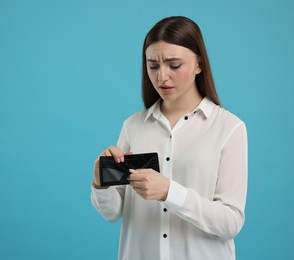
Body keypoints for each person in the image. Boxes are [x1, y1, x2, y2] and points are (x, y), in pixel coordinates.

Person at [91, 16, 248, 260]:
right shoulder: (133, 126)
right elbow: (112, 212)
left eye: (174, 65)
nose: (161, 77)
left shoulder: (229, 128)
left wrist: (169, 192)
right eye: (153, 65)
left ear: (199, 64)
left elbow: (231, 222)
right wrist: (102, 180)